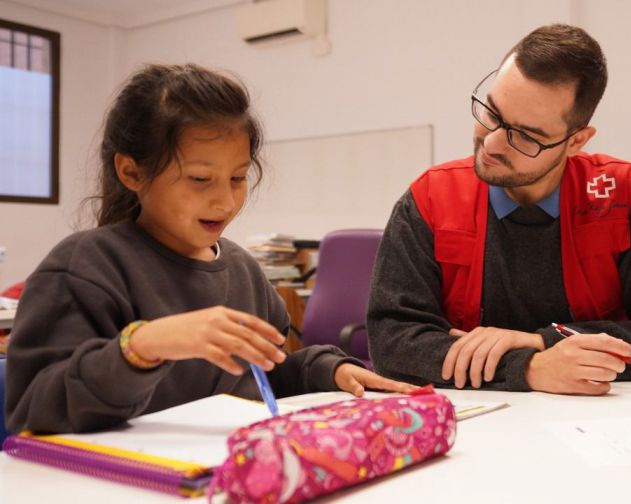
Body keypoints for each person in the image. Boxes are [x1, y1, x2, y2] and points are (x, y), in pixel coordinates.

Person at [5, 64, 415, 434]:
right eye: (200, 180)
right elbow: (33, 411)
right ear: (131, 171)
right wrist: (144, 345)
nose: (225, 202)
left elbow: (263, 378)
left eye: (237, 179)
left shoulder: (243, 272)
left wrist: (328, 369)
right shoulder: (84, 268)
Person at [368, 24, 631, 396]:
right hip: (477, 428)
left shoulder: (622, 196)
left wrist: (546, 341)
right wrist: (528, 368)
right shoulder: (431, 198)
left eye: (525, 135)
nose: (491, 144)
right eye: (491, 113)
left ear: (576, 141)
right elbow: (391, 342)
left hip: (601, 420)